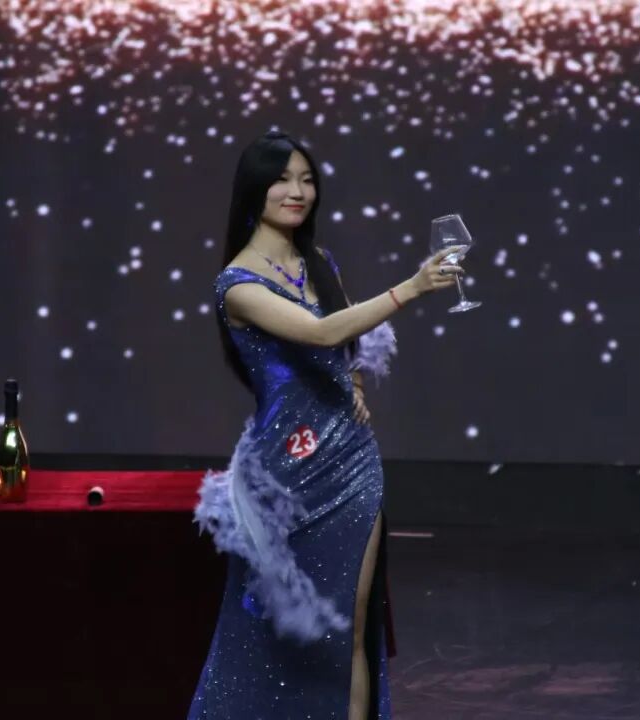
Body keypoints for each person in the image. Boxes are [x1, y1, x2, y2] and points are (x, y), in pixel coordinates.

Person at [188, 130, 464, 720]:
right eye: (282, 179)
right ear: (254, 190)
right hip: (283, 479)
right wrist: (413, 287)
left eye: (307, 179)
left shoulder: (319, 262)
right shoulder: (237, 284)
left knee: (353, 623)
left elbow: (346, 338)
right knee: (270, 632)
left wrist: (355, 383)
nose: (297, 191)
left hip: (352, 464)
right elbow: (320, 332)